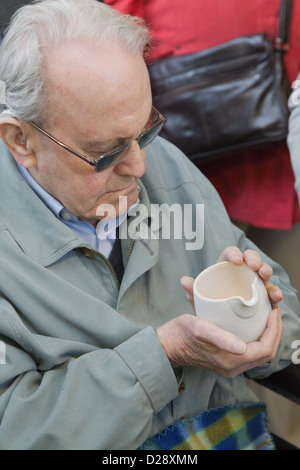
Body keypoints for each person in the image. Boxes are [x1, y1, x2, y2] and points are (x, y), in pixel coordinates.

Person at [0, 0, 299, 450]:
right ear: (20, 140)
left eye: (147, 129)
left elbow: (286, 314)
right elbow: (15, 427)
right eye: (104, 152)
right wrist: (164, 355)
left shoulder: (164, 163)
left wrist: (257, 315)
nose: (139, 165)